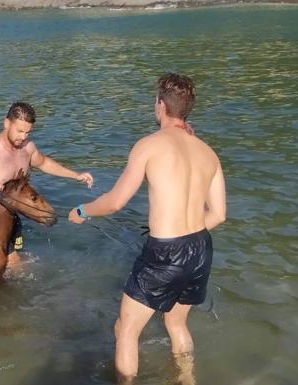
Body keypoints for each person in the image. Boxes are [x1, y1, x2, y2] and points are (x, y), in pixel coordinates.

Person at [68, 73, 226, 384]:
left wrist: (82, 210)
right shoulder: (209, 153)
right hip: (200, 248)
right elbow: (219, 214)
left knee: (125, 330)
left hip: (165, 253)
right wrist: (185, 235)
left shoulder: (149, 145)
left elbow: (115, 202)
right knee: (177, 325)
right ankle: (187, 380)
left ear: (161, 105)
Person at [0, 101, 94, 266]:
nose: (23, 137)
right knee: (11, 266)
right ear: (7, 123)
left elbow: (44, 163)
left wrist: (76, 175)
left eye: (27, 132)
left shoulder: (27, 148)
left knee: (15, 264)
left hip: (12, 219)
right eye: (19, 131)